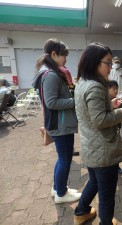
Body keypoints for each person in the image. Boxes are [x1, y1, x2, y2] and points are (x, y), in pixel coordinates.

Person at [74, 42, 122, 225]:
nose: (110, 67)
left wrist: (110, 105)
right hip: (103, 149)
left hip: (90, 145)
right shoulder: (95, 87)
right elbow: (100, 120)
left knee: (94, 182)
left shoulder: (82, 82)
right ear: (95, 62)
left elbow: (92, 114)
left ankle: (81, 211)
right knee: (106, 195)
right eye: (107, 62)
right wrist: (120, 113)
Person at [32, 38, 81, 203]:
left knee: (62, 158)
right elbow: (51, 102)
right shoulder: (51, 75)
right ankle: (61, 193)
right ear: (53, 54)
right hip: (61, 125)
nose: (66, 59)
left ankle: (57, 189)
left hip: (59, 123)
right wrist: (76, 100)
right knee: (65, 159)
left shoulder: (49, 72)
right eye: (63, 56)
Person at [108, 80, 122, 176]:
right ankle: (113, 168)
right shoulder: (106, 101)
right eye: (113, 89)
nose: (115, 91)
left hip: (116, 128)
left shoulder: (116, 98)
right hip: (110, 130)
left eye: (117, 88)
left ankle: (117, 168)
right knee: (112, 150)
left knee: (116, 149)